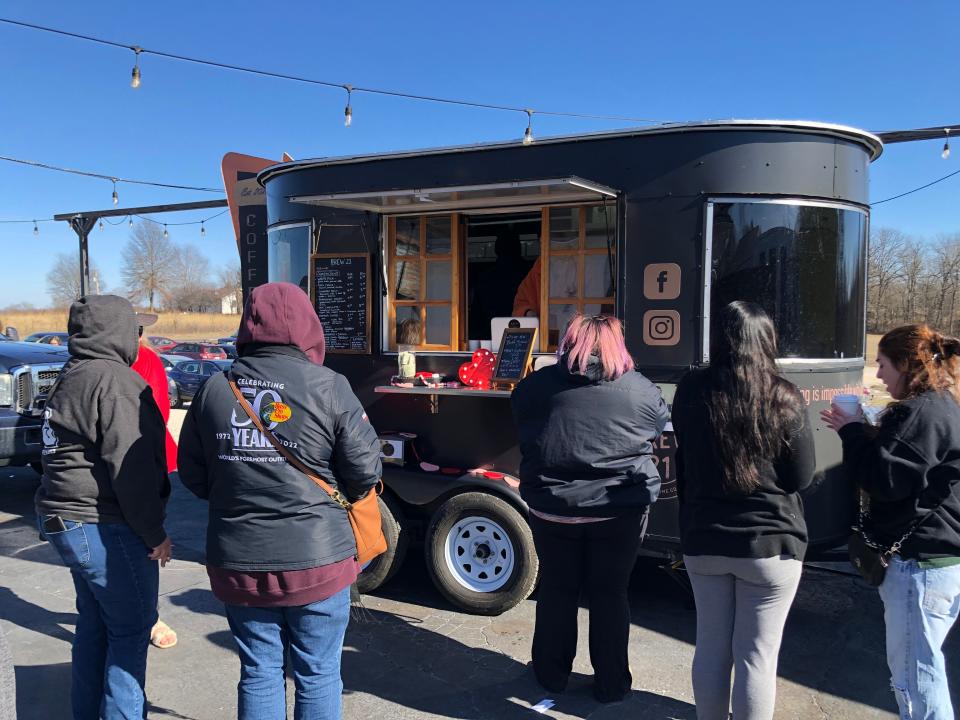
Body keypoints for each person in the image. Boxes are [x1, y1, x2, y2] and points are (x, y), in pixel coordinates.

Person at [178, 282, 381, 720]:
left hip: (237, 561)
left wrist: (238, 487)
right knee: (319, 673)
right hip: (318, 560)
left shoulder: (215, 389)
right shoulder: (330, 386)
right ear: (310, 326)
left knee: (259, 672)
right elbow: (366, 471)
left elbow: (191, 475)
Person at [511, 313, 668, 703]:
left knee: (558, 590)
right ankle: (611, 684)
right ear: (619, 345)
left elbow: (519, 416)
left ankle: (550, 675)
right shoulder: (640, 390)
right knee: (610, 594)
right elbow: (661, 422)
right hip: (619, 512)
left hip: (552, 509)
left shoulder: (536, 387)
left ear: (568, 343)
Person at [671, 301, 815, 720]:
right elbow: (800, 477)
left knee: (711, 647)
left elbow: (685, 458)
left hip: (704, 539)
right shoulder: (784, 396)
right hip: (771, 545)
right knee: (757, 656)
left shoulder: (692, 389)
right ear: (767, 341)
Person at [35, 294, 171, 720]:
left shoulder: (72, 372)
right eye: (135, 327)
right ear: (115, 331)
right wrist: (155, 534)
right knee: (130, 635)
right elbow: (130, 471)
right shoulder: (114, 381)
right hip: (102, 524)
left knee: (95, 628)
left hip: (65, 520)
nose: (139, 335)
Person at [821, 324, 960, 719]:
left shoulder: (920, 413)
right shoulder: (941, 405)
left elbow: (885, 480)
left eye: (882, 365)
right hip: (938, 562)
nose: (878, 375)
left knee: (916, 679)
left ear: (905, 364)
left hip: (922, 566)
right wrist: (865, 431)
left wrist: (851, 432)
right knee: (921, 670)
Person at [131, 313, 180, 650]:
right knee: (148, 541)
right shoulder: (147, 359)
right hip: (144, 462)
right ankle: (149, 615)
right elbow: (160, 413)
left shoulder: (76, 365)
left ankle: (143, 612)